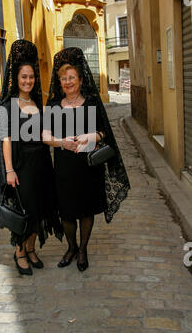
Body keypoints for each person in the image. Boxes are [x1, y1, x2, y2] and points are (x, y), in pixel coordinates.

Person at [42, 47, 130, 272]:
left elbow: (105, 134)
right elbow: (45, 136)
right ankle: (71, 247)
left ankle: (83, 249)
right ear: (59, 81)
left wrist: (91, 136)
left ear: (81, 80)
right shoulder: (53, 105)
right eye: (64, 78)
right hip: (64, 166)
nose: (68, 82)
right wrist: (62, 142)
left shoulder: (91, 103)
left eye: (72, 78)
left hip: (89, 167)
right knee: (66, 210)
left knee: (86, 210)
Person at [0, 39, 63, 276]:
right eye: (24, 77)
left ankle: (32, 250)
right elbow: (5, 139)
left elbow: (44, 135)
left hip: (41, 164)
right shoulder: (7, 105)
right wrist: (9, 170)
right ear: (16, 77)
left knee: (40, 209)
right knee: (26, 210)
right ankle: (20, 252)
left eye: (31, 77)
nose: (28, 81)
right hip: (21, 166)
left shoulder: (36, 102)